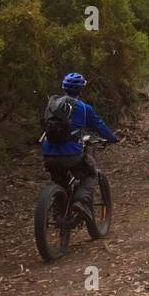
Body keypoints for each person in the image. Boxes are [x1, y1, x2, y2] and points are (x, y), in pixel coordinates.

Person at [41, 72, 118, 224]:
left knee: (60, 181)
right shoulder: (84, 108)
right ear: (81, 89)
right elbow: (99, 126)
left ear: (64, 88)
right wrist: (112, 138)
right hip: (71, 153)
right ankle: (80, 203)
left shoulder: (52, 104)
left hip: (48, 153)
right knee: (90, 172)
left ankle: (59, 213)